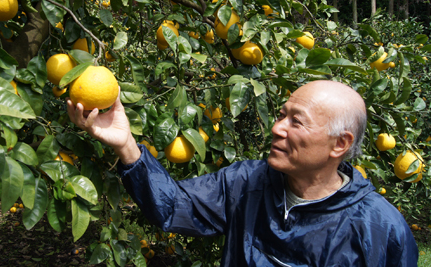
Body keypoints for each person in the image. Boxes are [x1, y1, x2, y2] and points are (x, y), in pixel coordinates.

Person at [67, 80, 418, 266]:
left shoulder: (380, 229)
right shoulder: (246, 183)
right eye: (281, 115)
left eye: (296, 122)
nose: (278, 128)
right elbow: (172, 207)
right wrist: (125, 143)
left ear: (339, 144)